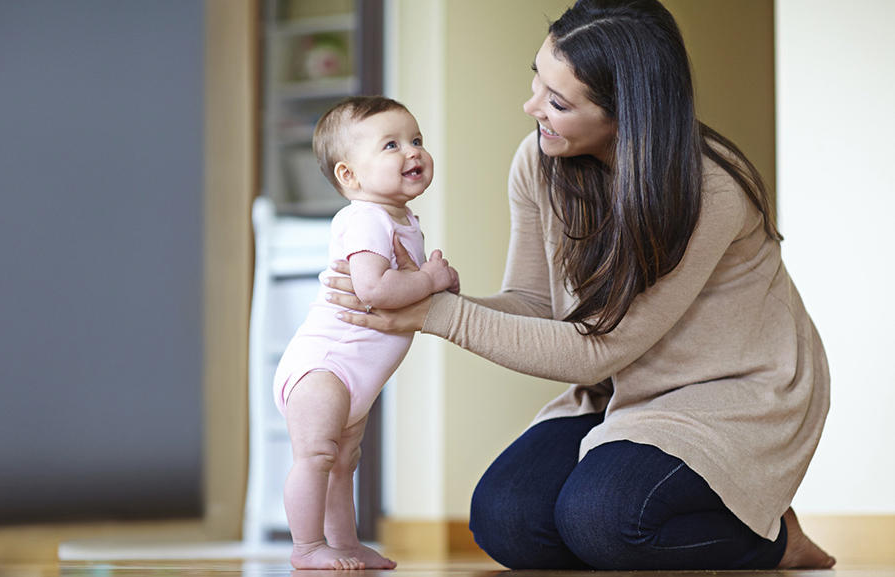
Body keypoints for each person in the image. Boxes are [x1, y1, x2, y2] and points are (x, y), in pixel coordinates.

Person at [325, 0, 836, 571]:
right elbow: (534, 304)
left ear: (627, 115)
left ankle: (769, 537)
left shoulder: (707, 190)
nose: (531, 106)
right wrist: (424, 298)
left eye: (558, 102)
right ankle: (653, 504)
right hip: (620, 390)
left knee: (604, 522)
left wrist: (432, 314)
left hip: (730, 395)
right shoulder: (539, 160)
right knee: (506, 523)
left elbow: (600, 346)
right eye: (537, 80)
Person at [273, 96, 459, 570]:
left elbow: (407, 298)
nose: (412, 152)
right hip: (325, 367)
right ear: (349, 176)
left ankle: (345, 543)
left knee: (342, 464)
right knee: (316, 455)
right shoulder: (364, 218)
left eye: (416, 140)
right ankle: (307, 547)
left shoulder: (401, 219)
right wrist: (431, 281)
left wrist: (434, 288)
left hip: (353, 374)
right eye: (391, 145)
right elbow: (374, 289)